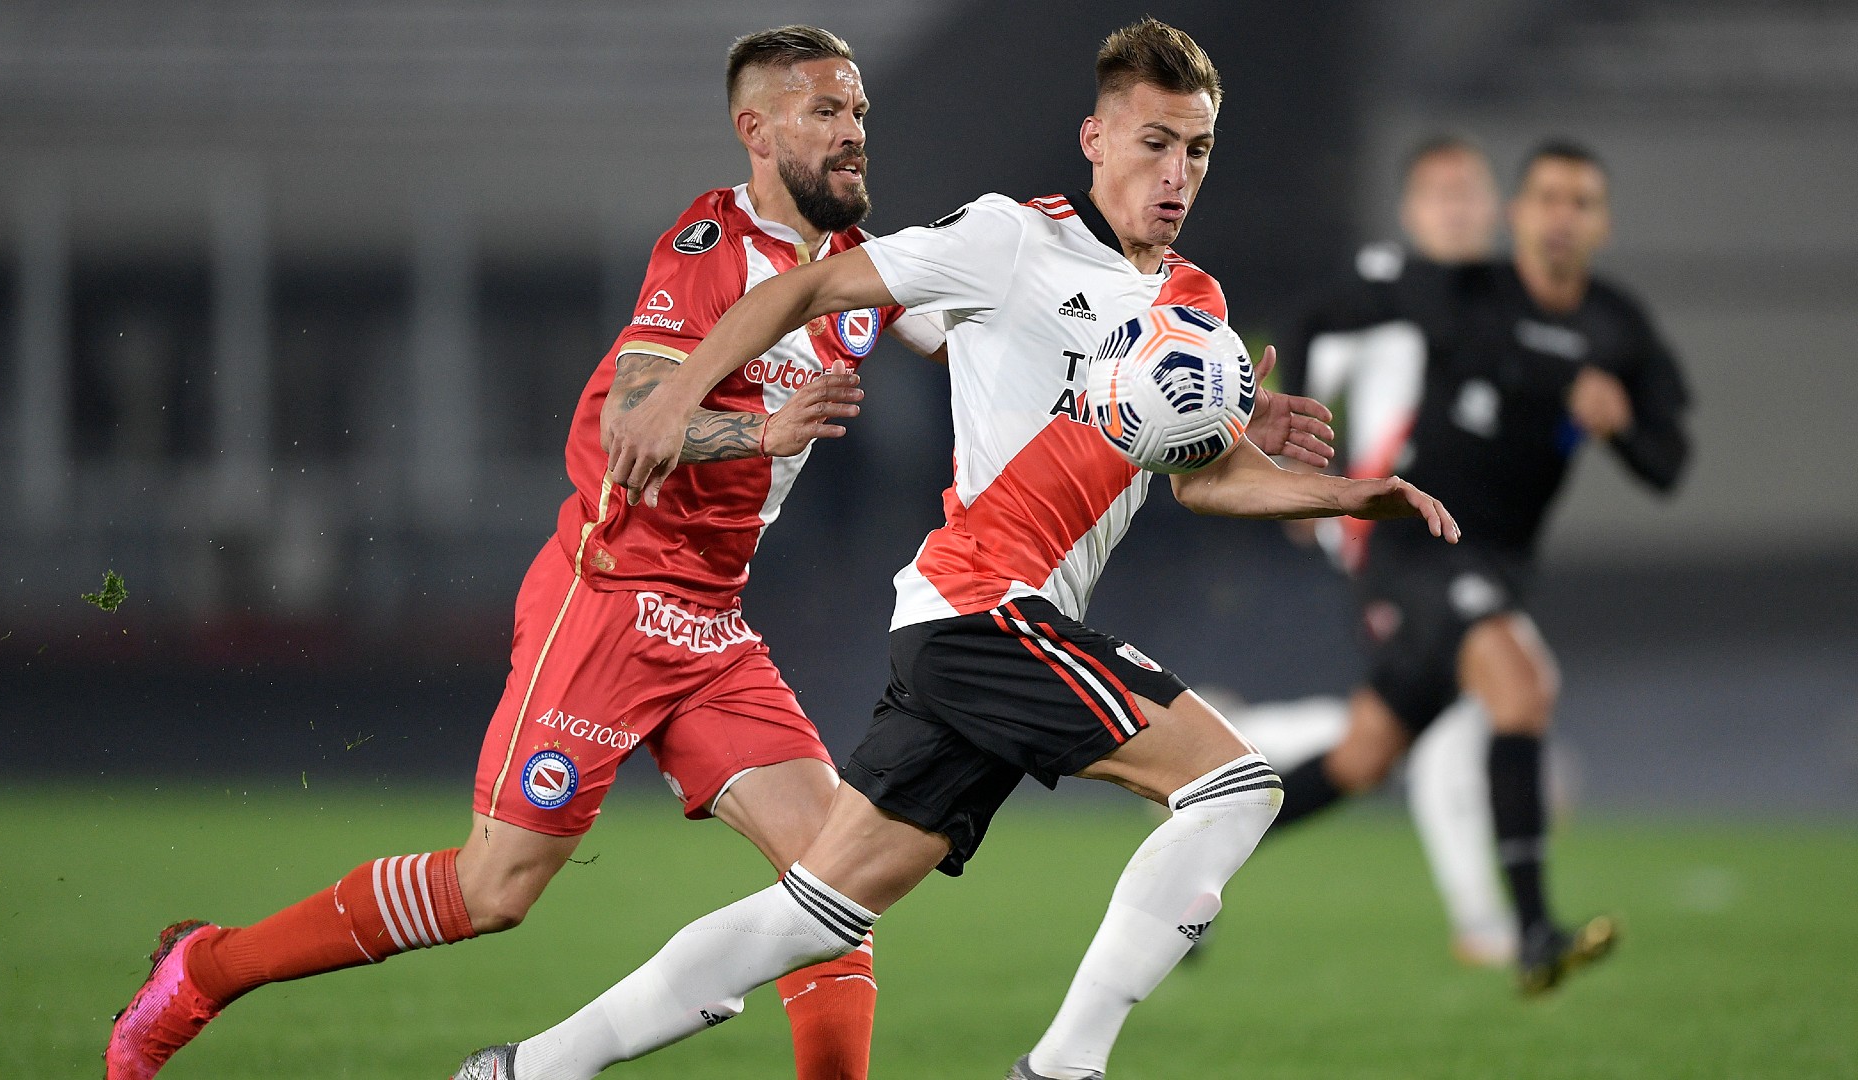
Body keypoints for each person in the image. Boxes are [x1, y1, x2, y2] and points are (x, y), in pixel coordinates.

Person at [452, 18, 1457, 1080]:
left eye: (1197, 149)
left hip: (966, 627)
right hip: (987, 606)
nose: (1177, 172)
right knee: (1235, 786)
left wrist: (1337, 491)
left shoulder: (1194, 308)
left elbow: (1205, 481)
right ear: (1095, 139)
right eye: (1154, 142)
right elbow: (803, 288)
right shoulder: (1008, 240)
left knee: (814, 915)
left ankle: (527, 1070)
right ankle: (1064, 1069)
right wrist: (683, 395)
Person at [105, 25, 951, 1080]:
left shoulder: (857, 273)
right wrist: (759, 432)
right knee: (491, 891)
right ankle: (204, 969)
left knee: (836, 890)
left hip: (711, 621)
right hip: (607, 601)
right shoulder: (709, 252)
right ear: (756, 129)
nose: (852, 134)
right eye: (824, 112)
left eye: (858, 112)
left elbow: (989, 333)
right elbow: (636, 428)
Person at [1266, 139, 1691, 994]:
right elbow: (1312, 318)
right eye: (1547, 198)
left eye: (1581, 201)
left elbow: (1668, 465)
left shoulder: (1618, 324)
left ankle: (1205, 832)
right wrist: (1298, 469)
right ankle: (1533, 931)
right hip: (1414, 540)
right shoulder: (1459, 290)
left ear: (1601, 222)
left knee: (1364, 756)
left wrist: (1621, 429)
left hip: (1497, 562)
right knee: (1522, 682)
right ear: (1517, 214)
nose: (1562, 216)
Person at [1231, 134, 1519, 967]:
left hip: (1456, 541)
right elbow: (1300, 357)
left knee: (1392, 729)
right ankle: (1482, 921)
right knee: (1449, 719)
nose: (1460, 209)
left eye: (1471, 193)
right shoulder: (1383, 289)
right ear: (1412, 209)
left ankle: (1243, 750)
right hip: (1388, 532)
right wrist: (1291, 470)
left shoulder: (1497, 301)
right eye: (1443, 195)